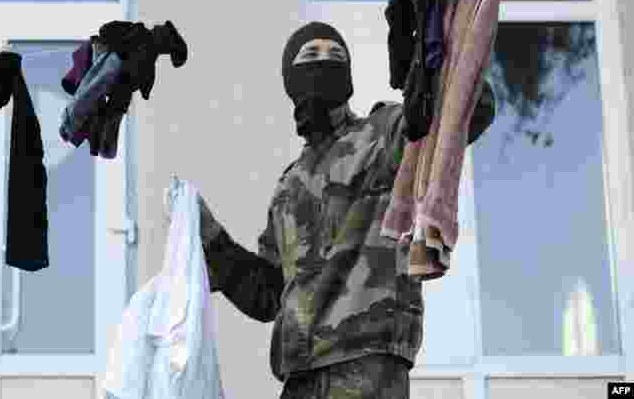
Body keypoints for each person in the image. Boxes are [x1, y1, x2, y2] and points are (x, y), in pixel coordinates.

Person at [166, 21, 496, 398]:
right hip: (300, 379)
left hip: (367, 368)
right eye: (311, 55)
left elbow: (469, 110)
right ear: (291, 79)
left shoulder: (381, 136)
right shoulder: (289, 186)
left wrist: (429, 59)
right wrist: (212, 241)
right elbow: (269, 294)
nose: (324, 62)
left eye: (335, 55)